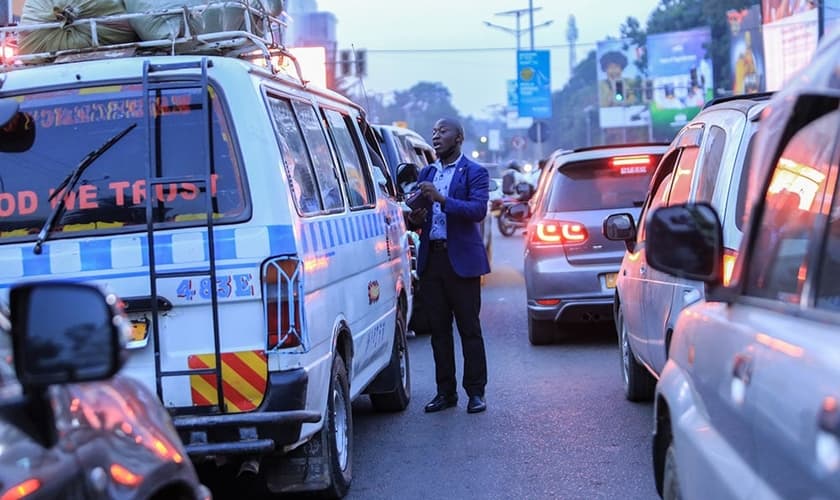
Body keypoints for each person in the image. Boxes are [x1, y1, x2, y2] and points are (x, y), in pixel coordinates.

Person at [406, 117, 491, 414]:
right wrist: (416, 217)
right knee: (439, 332)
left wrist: (441, 199)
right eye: (434, 131)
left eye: (443, 131)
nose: (437, 136)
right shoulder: (426, 172)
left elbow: (477, 210)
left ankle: (476, 392)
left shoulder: (475, 172)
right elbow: (418, 216)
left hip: (463, 262)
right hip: (434, 261)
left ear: (459, 138)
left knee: (469, 329)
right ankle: (445, 392)